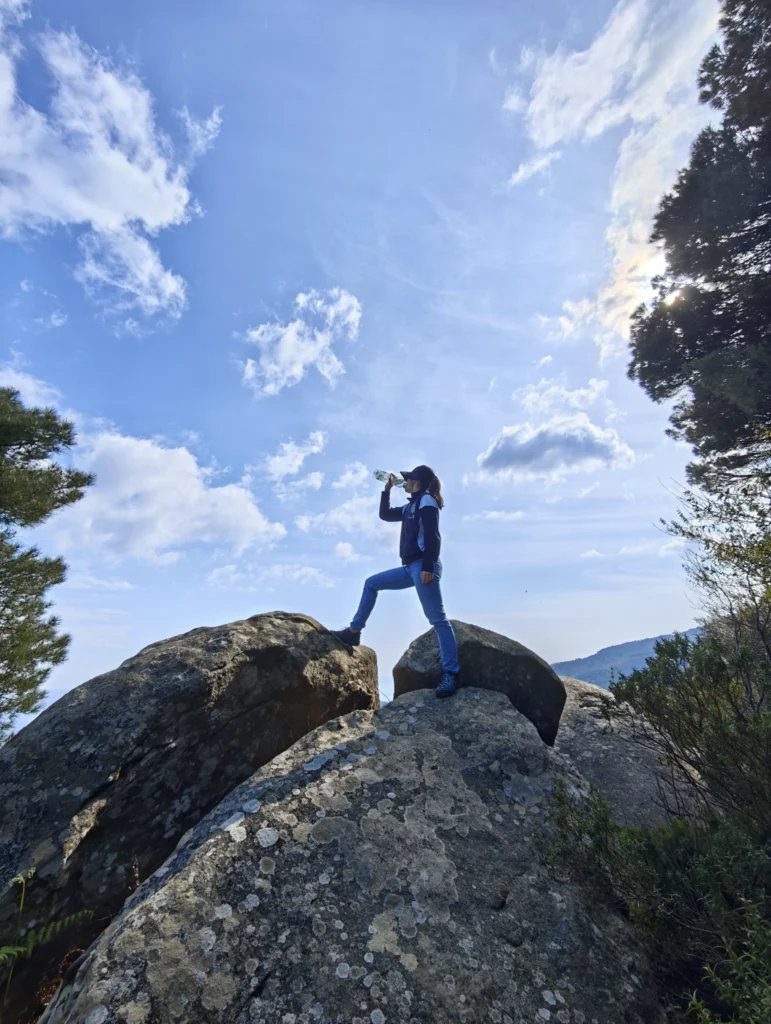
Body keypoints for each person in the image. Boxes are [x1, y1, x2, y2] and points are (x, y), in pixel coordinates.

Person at [329, 465, 460, 698]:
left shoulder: (427, 501)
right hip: (409, 567)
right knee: (371, 583)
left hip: (423, 565)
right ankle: (353, 632)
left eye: (408, 478)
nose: (404, 481)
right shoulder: (411, 505)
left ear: (417, 481)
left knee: (437, 619)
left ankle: (451, 673)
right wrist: (386, 490)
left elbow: (433, 535)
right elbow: (385, 515)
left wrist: (428, 566)